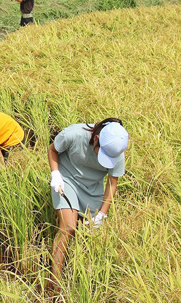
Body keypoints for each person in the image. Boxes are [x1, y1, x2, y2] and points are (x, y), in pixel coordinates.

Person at [47, 118, 129, 291]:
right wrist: (55, 174)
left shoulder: (117, 150)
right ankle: (54, 283)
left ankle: (82, 279)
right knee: (68, 226)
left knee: (90, 235)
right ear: (96, 138)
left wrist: (102, 215)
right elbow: (53, 150)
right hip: (67, 179)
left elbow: (112, 183)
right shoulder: (74, 134)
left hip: (93, 188)